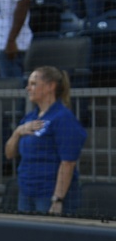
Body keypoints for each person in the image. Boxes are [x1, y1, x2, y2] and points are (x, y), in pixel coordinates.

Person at [5, 66, 87, 215]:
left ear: (51, 86)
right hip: (26, 191)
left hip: (49, 193)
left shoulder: (63, 118)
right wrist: (17, 132)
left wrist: (57, 199)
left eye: (34, 84)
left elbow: (68, 162)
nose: (28, 88)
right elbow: (9, 154)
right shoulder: (30, 117)